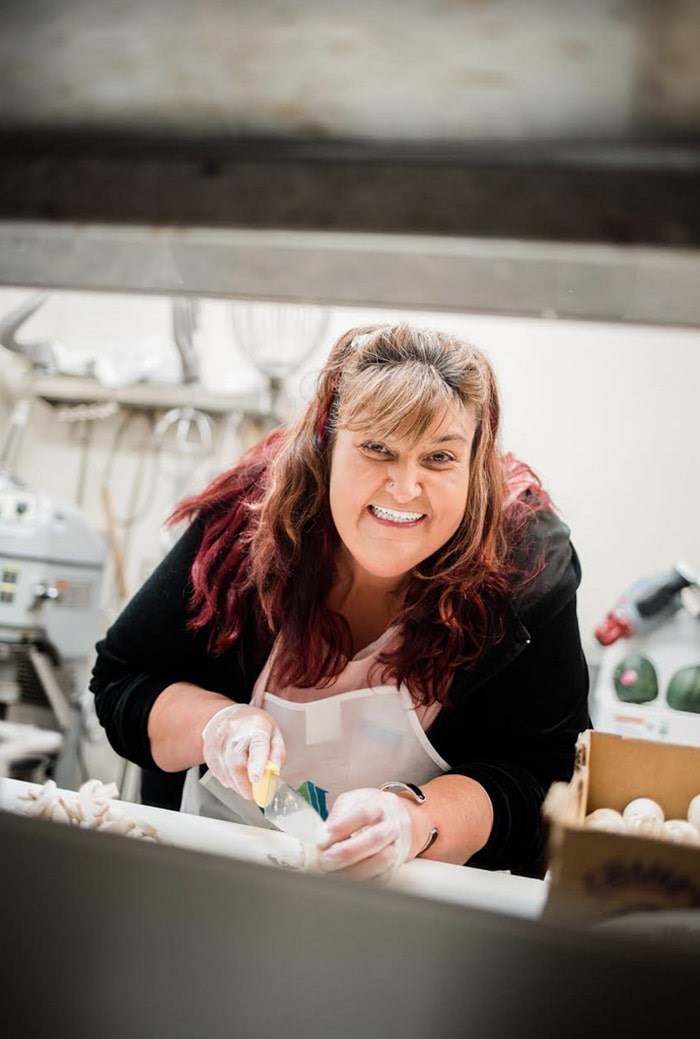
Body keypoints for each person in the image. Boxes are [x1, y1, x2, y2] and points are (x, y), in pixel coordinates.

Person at [90, 323, 590, 880]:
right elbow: (121, 683)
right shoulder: (245, 523)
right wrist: (218, 724)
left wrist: (413, 820)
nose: (404, 488)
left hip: (416, 910)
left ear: (475, 466)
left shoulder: (526, 565)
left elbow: (545, 784)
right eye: (377, 448)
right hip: (213, 880)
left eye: (440, 458)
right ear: (326, 446)